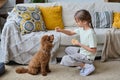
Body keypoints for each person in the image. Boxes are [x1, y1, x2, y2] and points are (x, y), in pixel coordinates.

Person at [55, 9, 97, 76]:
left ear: (85, 21)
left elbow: (93, 50)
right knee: (67, 49)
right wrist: (61, 30)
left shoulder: (91, 33)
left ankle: (85, 65)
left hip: (87, 57)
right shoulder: (81, 28)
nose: (76, 23)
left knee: (65, 59)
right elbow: (70, 33)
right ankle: (82, 62)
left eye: (77, 21)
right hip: (82, 52)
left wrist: (79, 44)